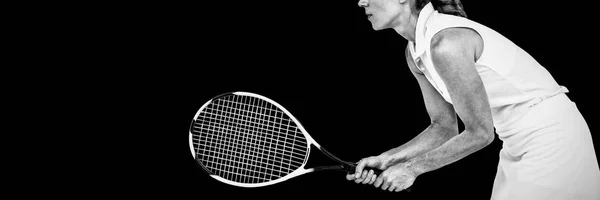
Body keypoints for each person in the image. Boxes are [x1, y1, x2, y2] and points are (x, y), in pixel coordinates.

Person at [348, 0, 600, 199]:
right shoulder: (414, 52)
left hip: (553, 140)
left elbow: (480, 133)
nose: (361, 2)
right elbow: (443, 127)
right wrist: (388, 159)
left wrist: (411, 169)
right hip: (516, 144)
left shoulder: (444, 43)